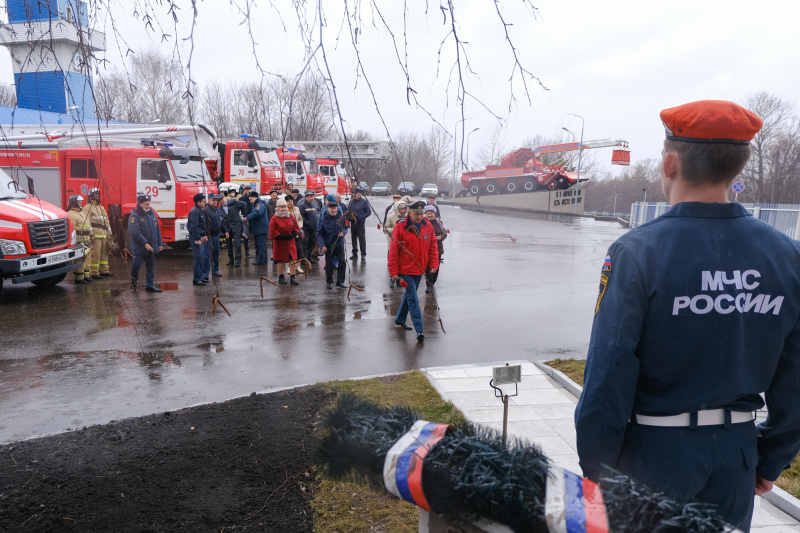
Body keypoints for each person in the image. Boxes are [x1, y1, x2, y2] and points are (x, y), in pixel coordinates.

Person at [574, 100, 800, 532]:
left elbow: (608, 370)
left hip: (652, 456)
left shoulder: (638, 252)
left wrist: (597, 468)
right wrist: (770, 459)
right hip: (733, 457)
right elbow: (796, 379)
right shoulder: (788, 258)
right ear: (740, 167)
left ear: (670, 162)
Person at [388, 201, 439, 342]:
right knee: (413, 298)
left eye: (421, 214)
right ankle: (419, 329)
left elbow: (433, 245)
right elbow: (393, 251)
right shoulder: (401, 227)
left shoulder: (427, 226)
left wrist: (434, 263)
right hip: (406, 269)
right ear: (409, 213)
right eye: (416, 214)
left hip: (420, 269)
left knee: (410, 295)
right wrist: (393, 271)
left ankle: (399, 319)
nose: (419, 216)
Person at [128, 194, 163, 292]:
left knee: (150, 267)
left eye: (149, 204)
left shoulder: (152, 214)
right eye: (146, 204)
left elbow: (157, 230)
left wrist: (160, 243)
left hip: (151, 247)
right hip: (139, 247)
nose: (148, 206)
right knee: (136, 266)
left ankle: (150, 285)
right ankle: (134, 282)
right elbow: (135, 233)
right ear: (140, 204)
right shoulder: (134, 215)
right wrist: (145, 244)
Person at [82, 187, 114, 279]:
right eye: (94, 194)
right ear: (90, 196)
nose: (96, 196)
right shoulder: (87, 208)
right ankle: (94, 272)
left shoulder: (101, 208)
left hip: (104, 234)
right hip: (95, 235)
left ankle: (104, 271)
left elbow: (106, 221)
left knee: (104, 253)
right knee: (95, 254)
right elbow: (87, 223)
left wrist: (109, 233)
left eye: (97, 194)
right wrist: (91, 234)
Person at [317, 200, 348, 290]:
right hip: (328, 246)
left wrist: (343, 232)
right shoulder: (323, 219)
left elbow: (346, 228)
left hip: (339, 245)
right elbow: (319, 233)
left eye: (335, 208)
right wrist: (322, 245)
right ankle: (329, 282)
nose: (333, 210)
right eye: (331, 208)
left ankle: (340, 281)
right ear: (328, 209)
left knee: (342, 263)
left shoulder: (341, 217)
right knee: (329, 265)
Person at [270, 198, 301, 285]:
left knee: (292, 260)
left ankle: (293, 277)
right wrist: (282, 236)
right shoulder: (274, 218)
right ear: (277, 208)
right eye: (282, 207)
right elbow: (272, 231)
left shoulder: (291, 216)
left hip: (290, 242)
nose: (284, 209)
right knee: (281, 260)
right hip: (280, 242)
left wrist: (295, 233)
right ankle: (281, 277)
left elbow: (295, 226)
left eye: (285, 207)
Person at [66, 194, 91, 284]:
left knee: (87, 259)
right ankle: (79, 278)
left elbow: (88, 225)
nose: (81, 203)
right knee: (80, 259)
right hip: (79, 241)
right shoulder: (71, 214)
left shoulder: (81, 213)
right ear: (73, 203)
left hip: (86, 240)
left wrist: (91, 235)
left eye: (81, 202)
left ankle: (86, 276)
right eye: (79, 202)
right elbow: (71, 230)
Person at [187, 193, 209, 286]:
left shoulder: (199, 210)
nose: (205, 203)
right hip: (195, 237)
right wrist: (197, 239)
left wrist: (204, 235)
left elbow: (201, 225)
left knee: (200, 258)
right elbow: (194, 227)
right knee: (198, 258)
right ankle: (196, 279)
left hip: (199, 236)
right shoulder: (195, 211)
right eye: (203, 202)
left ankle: (199, 277)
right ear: (198, 202)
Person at [423, 205, 447, 293]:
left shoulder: (439, 223)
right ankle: (428, 284)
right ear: (425, 214)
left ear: (434, 214)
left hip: (437, 248)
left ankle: (432, 282)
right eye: (428, 213)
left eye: (431, 213)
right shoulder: (422, 223)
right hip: (426, 248)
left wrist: (441, 237)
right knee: (428, 267)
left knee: (435, 267)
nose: (430, 215)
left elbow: (445, 233)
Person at [384, 201, 407, 288]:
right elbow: (385, 228)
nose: (402, 211)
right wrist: (396, 230)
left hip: (403, 243)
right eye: (401, 209)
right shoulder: (391, 217)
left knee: (401, 261)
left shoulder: (408, 218)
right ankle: (392, 278)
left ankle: (399, 279)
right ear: (397, 209)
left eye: (404, 209)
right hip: (393, 242)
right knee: (393, 261)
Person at [245, 191, 269, 265]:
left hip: (261, 228)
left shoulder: (259, 204)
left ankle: (261, 260)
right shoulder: (256, 204)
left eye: (251, 199)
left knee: (261, 245)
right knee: (261, 245)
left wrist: (247, 218)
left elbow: (257, 213)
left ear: (255, 197)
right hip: (259, 228)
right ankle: (263, 259)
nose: (250, 201)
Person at [204, 194, 225, 277]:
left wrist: (225, 231)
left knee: (216, 254)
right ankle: (205, 273)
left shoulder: (218, 210)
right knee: (207, 255)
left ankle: (215, 270)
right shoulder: (206, 210)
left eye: (216, 200)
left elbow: (221, 222)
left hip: (216, 235)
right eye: (213, 200)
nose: (215, 201)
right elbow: (203, 224)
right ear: (209, 200)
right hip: (209, 236)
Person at [348, 187, 371, 261]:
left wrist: (362, 217)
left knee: (361, 239)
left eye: (356, 194)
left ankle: (363, 254)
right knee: (353, 239)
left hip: (360, 223)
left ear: (360, 194)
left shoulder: (364, 202)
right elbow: (348, 211)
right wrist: (349, 218)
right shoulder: (351, 201)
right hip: (353, 223)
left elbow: (368, 212)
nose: (355, 195)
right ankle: (354, 253)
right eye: (354, 193)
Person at [224, 194, 248, 266]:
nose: (221, 201)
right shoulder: (220, 207)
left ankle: (238, 260)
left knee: (237, 243)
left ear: (225, 198)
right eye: (220, 200)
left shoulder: (233, 202)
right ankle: (231, 260)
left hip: (236, 226)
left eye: (222, 199)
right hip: (228, 227)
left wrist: (244, 214)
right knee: (228, 244)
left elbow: (244, 204)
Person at [284, 194, 305, 273]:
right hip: (288, 234)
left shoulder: (296, 209)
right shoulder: (284, 210)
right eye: (288, 201)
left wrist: (299, 226)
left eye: (291, 201)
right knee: (289, 251)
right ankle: (289, 267)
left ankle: (297, 266)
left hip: (297, 233)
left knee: (299, 250)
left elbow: (300, 219)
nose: (290, 203)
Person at [299, 190, 320, 263]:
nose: (312, 198)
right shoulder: (302, 206)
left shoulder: (312, 205)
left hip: (313, 229)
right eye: (310, 196)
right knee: (305, 244)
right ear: (306, 197)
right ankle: (304, 259)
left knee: (312, 243)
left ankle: (309, 258)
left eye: (313, 196)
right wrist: (308, 224)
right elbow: (302, 218)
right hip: (306, 229)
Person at [237, 185, 252, 257]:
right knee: (245, 235)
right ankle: (247, 250)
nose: (248, 191)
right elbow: (238, 209)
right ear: (244, 190)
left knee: (253, 235)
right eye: (246, 189)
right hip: (245, 219)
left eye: (249, 189)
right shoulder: (241, 199)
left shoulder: (253, 197)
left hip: (253, 218)